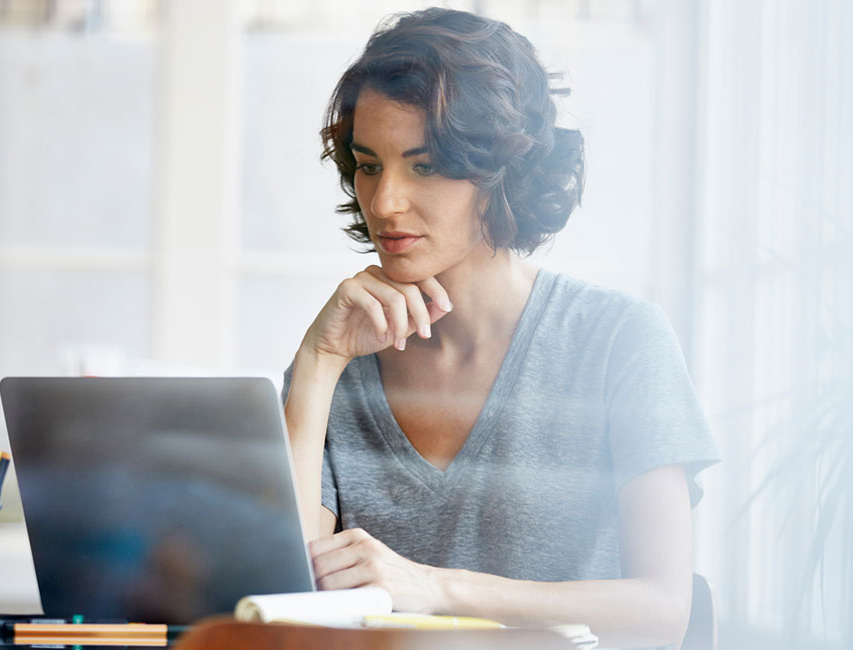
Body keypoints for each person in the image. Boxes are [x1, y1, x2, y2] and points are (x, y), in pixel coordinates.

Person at [282, 7, 719, 648]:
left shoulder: (619, 341)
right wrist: (318, 365)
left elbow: (663, 607)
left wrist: (435, 588)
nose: (384, 202)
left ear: (501, 171)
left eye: (424, 166)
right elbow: (286, 604)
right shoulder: (335, 360)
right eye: (368, 164)